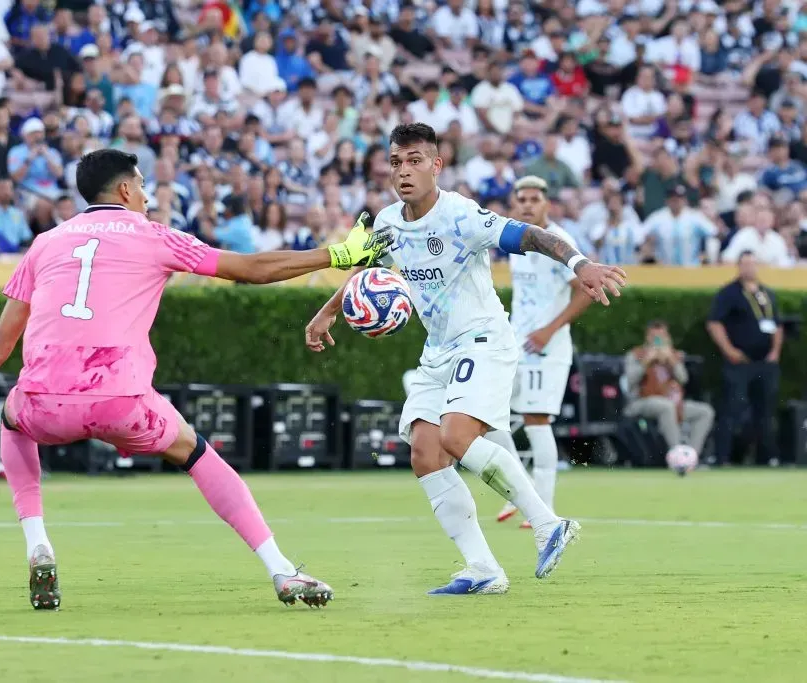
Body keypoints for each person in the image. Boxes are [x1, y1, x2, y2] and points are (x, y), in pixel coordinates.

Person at [0, 149, 391, 611]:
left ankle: (39, 545)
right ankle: (282, 570)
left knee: (12, 416)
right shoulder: (153, 234)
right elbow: (252, 269)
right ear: (122, 190)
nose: (147, 195)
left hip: (46, 403)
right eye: (141, 185)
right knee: (198, 453)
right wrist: (339, 256)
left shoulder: (45, 243)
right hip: (120, 399)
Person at [305, 123, 626, 595]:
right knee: (424, 451)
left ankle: (547, 523)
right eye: (396, 162)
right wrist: (327, 313)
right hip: (438, 350)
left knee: (456, 435)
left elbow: (532, 236)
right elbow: (366, 272)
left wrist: (581, 265)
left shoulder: (461, 216)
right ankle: (482, 568)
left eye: (415, 160)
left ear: (436, 165)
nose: (404, 171)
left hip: (484, 340)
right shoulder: (389, 223)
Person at [487, 176, 593, 528]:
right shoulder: (517, 240)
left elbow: (586, 290)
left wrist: (549, 330)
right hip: (516, 342)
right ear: (515, 205)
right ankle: (522, 489)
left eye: (535, 199)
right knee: (490, 414)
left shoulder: (559, 241)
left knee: (536, 419)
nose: (529, 204)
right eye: (523, 199)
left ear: (547, 204)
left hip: (547, 348)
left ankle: (542, 507)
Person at [706, 252, 783, 466]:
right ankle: (722, 457)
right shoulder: (729, 293)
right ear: (738, 267)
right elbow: (714, 323)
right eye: (745, 264)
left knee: (765, 411)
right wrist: (729, 349)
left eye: (752, 263)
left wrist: (775, 351)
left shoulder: (767, 293)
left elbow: (776, 325)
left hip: (765, 362)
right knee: (731, 409)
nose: (749, 268)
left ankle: (767, 458)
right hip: (739, 362)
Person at [623, 321, 715, 458]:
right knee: (666, 406)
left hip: (673, 402)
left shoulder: (674, 355)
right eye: (655, 336)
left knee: (705, 411)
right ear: (647, 337)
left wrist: (672, 361)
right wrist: (646, 362)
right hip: (642, 401)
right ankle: (678, 454)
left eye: (662, 336)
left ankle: (692, 456)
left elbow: (683, 379)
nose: (658, 340)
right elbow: (630, 382)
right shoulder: (636, 355)